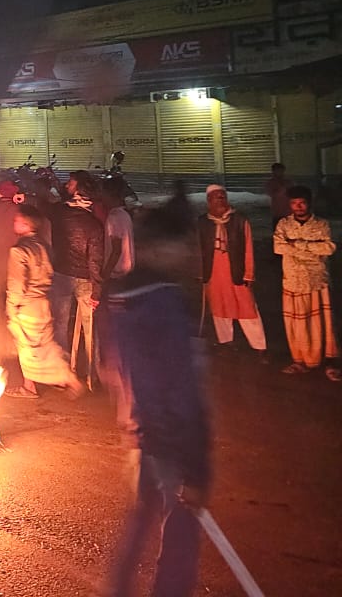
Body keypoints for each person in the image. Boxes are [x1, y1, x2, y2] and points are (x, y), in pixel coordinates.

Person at [100, 210, 211, 597]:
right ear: (161, 249)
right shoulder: (164, 304)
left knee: (141, 514)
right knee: (180, 531)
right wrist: (196, 467)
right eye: (182, 246)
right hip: (171, 442)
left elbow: (114, 368)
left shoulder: (121, 300)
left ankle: (117, 590)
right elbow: (180, 388)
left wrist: (137, 424)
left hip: (143, 432)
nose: (188, 256)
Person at [4, 206, 81, 398]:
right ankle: (58, 378)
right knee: (45, 345)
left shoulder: (19, 250)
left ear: (25, 224)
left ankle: (36, 386)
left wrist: (11, 310)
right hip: (44, 303)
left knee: (27, 348)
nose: (14, 223)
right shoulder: (43, 245)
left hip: (27, 306)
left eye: (17, 220)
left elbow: (16, 283)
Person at [273, 186, 338, 377]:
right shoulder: (283, 225)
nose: (298, 206)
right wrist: (311, 249)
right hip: (293, 281)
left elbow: (328, 248)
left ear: (309, 203)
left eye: (301, 202)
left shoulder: (322, 224)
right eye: (294, 203)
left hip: (317, 280)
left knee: (322, 324)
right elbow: (278, 247)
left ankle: (329, 363)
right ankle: (300, 361)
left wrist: (296, 244)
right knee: (298, 325)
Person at [197, 184, 266, 358]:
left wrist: (249, 273)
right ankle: (225, 342)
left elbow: (248, 247)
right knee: (219, 308)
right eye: (216, 197)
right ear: (209, 201)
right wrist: (199, 272)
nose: (220, 200)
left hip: (236, 271)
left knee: (246, 308)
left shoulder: (240, 221)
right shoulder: (203, 222)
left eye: (223, 196)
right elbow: (197, 249)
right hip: (213, 272)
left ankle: (259, 346)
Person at [49, 175, 105, 371]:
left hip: (61, 275)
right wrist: (97, 291)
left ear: (78, 189)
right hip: (85, 279)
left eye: (71, 182)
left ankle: (62, 370)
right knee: (90, 329)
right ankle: (93, 371)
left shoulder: (58, 213)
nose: (67, 185)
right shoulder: (94, 223)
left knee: (59, 324)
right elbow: (95, 261)